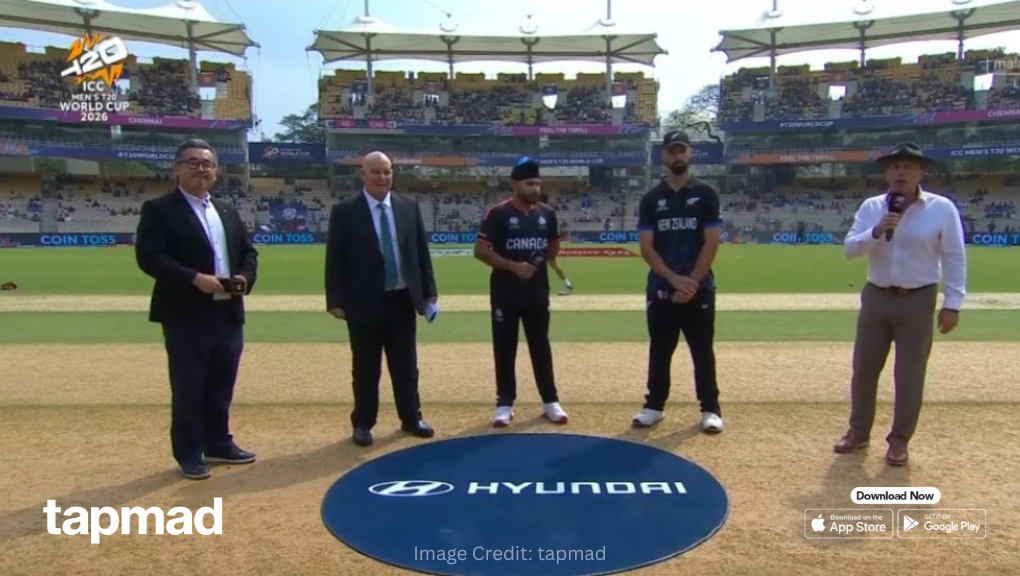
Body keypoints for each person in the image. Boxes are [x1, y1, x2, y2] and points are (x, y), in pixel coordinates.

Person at [835, 142, 966, 466]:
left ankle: (899, 441)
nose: (901, 172)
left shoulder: (941, 208)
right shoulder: (872, 207)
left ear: (922, 172)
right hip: (877, 296)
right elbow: (850, 250)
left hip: (918, 299)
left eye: (908, 166)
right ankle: (858, 432)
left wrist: (953, 303)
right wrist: (878, 230)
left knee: (909, 375)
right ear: (886, 173)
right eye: (894, 167)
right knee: (864, 371)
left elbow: (954, 256)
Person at [135, 138, 259, 480]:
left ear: (216, 172)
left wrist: (244, 278)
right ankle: (189, 452)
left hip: (228, 311)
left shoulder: (227, 210)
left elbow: (249, 253)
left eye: (207, 164)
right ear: (177, 168)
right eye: (193, 162)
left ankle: (218, 442)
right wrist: (194, 278)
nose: (201, 169)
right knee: (189, 386)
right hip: (185, 313)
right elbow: (150, 258)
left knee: (222, 382)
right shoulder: (160, 210)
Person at [325, 151, 438, 447]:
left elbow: (420, 253)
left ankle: (411, 418)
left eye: (387, 172)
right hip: (363, 301)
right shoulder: (345, 211)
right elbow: (335, 259)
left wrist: (429, 290)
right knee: (365, 367)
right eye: (375, 172)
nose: (382, 177)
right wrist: (335, 299)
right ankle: (363, 423)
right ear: (362, 174)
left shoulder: (408, 207)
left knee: (406, 366)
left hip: (402, 300)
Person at [632, 130, 725, 433]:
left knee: (702, 350)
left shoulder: (706, 194)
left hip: (700, 287)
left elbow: (711, 243)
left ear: (690, 153)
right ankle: (654, 406)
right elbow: (646, 247)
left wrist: (692, 283)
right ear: (664, 156)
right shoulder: (652, 198)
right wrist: (673, 280)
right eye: (672, 151)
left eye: (682, 150)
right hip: (662, 287)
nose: (677, 156)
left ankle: (710, 408)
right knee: (660, 349)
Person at [474, 157, 568, 427]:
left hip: (537, 293)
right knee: (505, 348)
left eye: (537, 183)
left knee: (541, 346)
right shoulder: (498, 213)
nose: (535, 188)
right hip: (505, 293)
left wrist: (552, 249)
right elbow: (480, 251)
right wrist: (514, 267)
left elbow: (551, 249)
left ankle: (550, 401)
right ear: (515, 184)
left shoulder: (547, 214)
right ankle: (504, 403)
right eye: (529, 184)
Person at [537, 190, 573, 295]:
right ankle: (567, 284)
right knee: (552, 266)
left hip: (546, 244)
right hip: (541, 243)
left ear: (541, 200)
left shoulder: (546, 212)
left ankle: (567, 284)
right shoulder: (542, 211)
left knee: (550, 266)